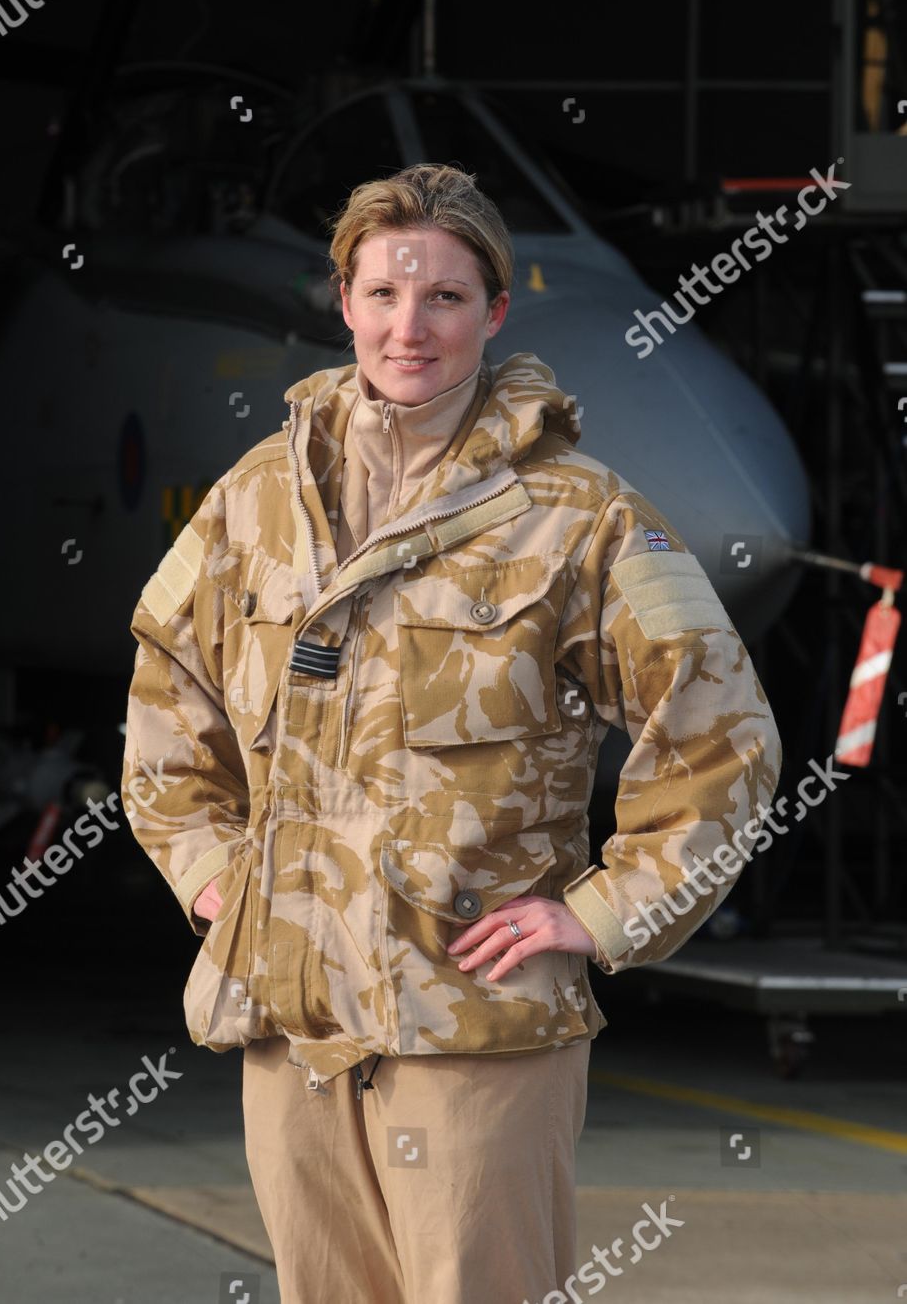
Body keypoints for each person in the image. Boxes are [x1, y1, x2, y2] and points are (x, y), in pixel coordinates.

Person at [120, 162, 782, 1304]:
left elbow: (720, 740)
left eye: (443, 299)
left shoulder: (575, 516)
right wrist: (208, 870)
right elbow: (167, 692)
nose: (407, 327)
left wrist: (597, 911)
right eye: (382, 294)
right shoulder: (259, 498)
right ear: (343, 301)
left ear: (494, 312)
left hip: (475, 1038)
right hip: (294, 1030)